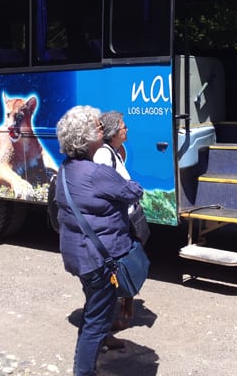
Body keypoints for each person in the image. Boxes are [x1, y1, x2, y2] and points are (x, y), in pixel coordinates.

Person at [55, 105, 144, 376]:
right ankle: (84, 371)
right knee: (96, 319)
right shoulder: (95, 173)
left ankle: (86, 361)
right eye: (97, 126)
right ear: (86, 136)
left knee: (94, 310)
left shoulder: (66, 169)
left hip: (78, 255)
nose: (102, 130)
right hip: (99, 258)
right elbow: (133, 192)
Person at [93, 111, 135, 331]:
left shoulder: (115, 153)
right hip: (113, 224)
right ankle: (107, 322)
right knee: (114, 270)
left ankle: (117, 312)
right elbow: (104, 189)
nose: (126, 129)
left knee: (124, 265)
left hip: (122, 221)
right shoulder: (103, 155)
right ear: (113, 132)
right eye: (123, 126)